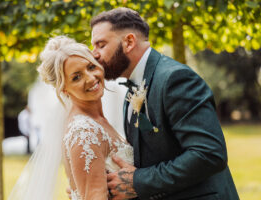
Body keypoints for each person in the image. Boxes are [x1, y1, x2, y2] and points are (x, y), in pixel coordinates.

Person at [90, 7, 239, 200]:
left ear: (128, 42)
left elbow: (208, 153)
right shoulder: (131, 90)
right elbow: (146, 161)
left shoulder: (175, 79)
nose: (94, 55)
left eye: (100, 45)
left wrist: (139, 181)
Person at [8, 36, 134, 200]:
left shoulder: (96, 121)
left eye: (90, 67)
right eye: (76, 77)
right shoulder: (84, 132)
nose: (90, 78)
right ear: (64, 89)